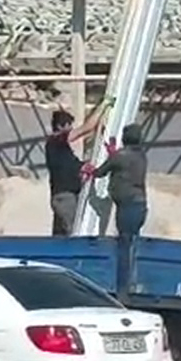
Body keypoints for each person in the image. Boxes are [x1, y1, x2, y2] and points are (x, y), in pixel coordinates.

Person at [82, 123, 149, 291]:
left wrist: (90, 170)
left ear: (125, 138)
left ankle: (122, 286)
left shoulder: (120, 156)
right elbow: (121, 164)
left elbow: (100, 172)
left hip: (127, 206)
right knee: (132, 243)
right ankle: (131, 281)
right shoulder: (141, 156)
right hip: (140, 205)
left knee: (124, 244)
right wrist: (113, 153)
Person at [44, 108, 100, 236]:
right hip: (65, 198)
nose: (71, 128)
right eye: (69, 125)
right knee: (73, 234)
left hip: (64, 197)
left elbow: (72, 165)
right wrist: (103, 107)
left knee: (60, 237)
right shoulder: (56, 141)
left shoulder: (62, 151)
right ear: (60, 126)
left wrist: (84, 168)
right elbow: (87, 128)